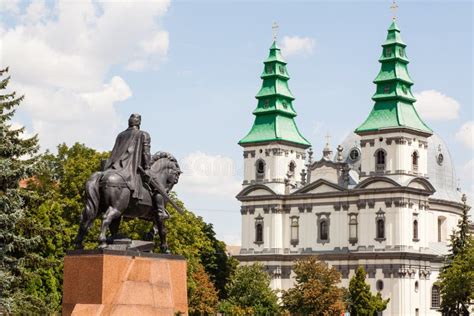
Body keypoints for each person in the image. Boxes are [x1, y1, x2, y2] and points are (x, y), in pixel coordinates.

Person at [104, 113, 151, 199]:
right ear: (139, 123)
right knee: (156, 185)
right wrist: (147, 168)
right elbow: (146, 153)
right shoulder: (144, 134)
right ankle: (160, 209)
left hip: (114, 167)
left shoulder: (120, 135)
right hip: (130, 168)